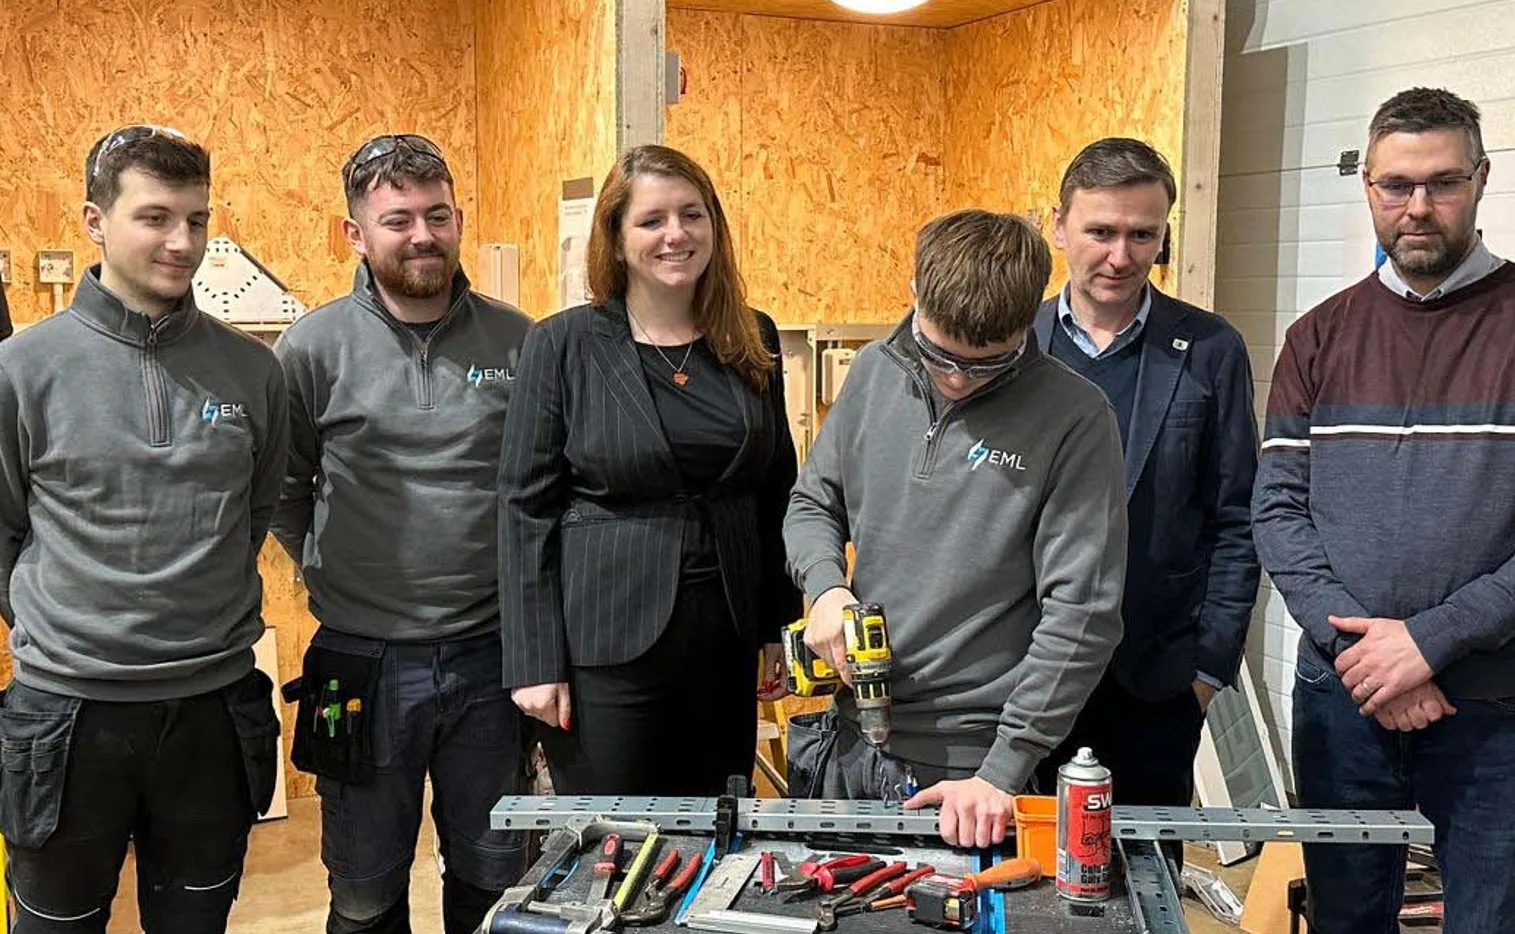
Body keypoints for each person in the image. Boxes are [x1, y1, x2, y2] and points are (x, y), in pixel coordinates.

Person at [0, 125, 288, 932]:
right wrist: (70, 629)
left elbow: (253, 511)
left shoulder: (252, 371)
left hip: (212, 709)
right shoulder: (21, 370)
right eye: (156, 218)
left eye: (197, 219)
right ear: (95, 219)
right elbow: (4, 529)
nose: (183, 241)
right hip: (68, 716)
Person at [1253, 87, 1515, 933]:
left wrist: (1427, 643)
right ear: (1366, 186)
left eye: (1441, 183)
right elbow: (1277, 513)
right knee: (1344, 920)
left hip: (1491, 705)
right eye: (1395, 185)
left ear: (1479, 179)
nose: (1417, 207)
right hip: (1342, 698)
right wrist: (1361, 657)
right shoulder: (1316, 337)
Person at [783, 208, 1128, 848]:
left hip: (969, 772)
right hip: (850, 737)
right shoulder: (873, 373)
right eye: (940, 355)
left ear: (1029, 320)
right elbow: (813, 501)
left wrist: (1004, 768)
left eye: (986, 366)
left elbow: (1082, 612)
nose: (956, 379)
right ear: (914, 293)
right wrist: (827, 589)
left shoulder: (1076, 419)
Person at [270, 134, 532, 934]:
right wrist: (331, 571)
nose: (422, 234)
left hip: (492, 659)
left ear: (456, 219)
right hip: (361, 661)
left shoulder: (520, 340)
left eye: (437, 214)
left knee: (494, 878)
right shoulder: (309, 349)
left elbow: (538, 489)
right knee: (363, 888)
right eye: (396, 219)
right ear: (355, 234)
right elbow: (283, 489)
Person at [500, 144, 801, 795]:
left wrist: (773, 625)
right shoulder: (563, 344)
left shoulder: (752, 336)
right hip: (604, 640)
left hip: (723, 634)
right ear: (614, 235)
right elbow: (524, 507)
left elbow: (774, 486)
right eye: (651, 220)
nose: (675, 235)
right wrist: (532, 660)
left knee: (715, 828)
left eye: (691, 215)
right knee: (613, 843)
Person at [1031, 138, 1259, 818]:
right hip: (1024, 674)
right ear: (1058, 225)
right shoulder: (1012, 344)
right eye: (1099, 231)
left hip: (1156, 681)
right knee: (1026, 887)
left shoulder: (1209, 349)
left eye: (1142, 235)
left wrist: (1208, 668)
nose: (1120, 256)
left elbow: (1237, 515)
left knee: (1146, 884)